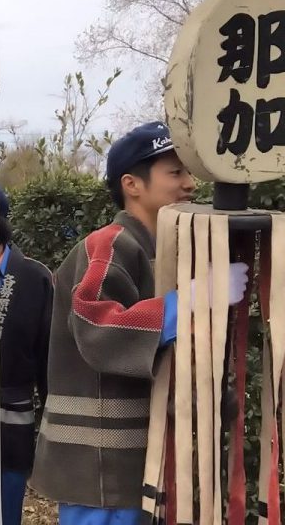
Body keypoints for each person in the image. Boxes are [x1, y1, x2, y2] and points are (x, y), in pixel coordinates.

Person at [30, 122, 248, 524]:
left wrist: (217, 400)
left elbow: (177, 352)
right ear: (132, 184)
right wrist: (192, 299)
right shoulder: (109, 243)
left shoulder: (165, 252)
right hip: (98, 466)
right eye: (176, 172)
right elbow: (96, 323)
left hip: (138, 463)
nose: (189, 185)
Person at [0, 183, 53, 525]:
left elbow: (48, 363)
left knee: (3, 513)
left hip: (10, 429)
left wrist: (54, 433)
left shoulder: (33, 278)